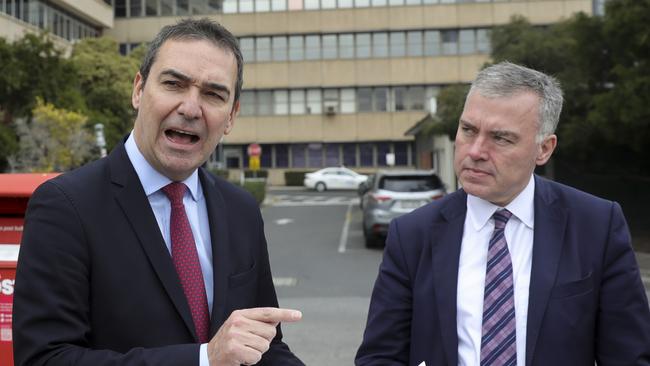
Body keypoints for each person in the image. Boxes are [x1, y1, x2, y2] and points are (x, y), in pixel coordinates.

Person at [13, 18, 304, 366]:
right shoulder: (66, 206)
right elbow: (45, 358)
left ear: (231, 116)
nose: (190, 108)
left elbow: (263, 347)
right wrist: (202, 359)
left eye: (213, 94)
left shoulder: (240, 208)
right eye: (173, 84)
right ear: (138, 90)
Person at [355, 62, 650, 365]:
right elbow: (380, 356)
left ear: (544, 149)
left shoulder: (596, 226)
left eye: (500, 138)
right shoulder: (412, 234)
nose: (475, 151)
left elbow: (629, 356)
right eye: (468, 130)